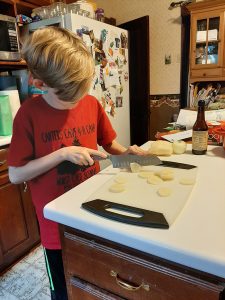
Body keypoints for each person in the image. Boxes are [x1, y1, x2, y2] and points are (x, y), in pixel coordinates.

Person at [7, 27, 147, 300]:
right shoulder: (28, 115)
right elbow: (15, 174)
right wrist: (62, 153)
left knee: (94, 281)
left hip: (94, 212)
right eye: (68, 95)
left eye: (81, 92)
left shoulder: (91, 104)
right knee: (62, 291)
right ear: (39, 83)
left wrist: (127, 153)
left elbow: (111, 147)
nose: (76, 101)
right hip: (55, 227)